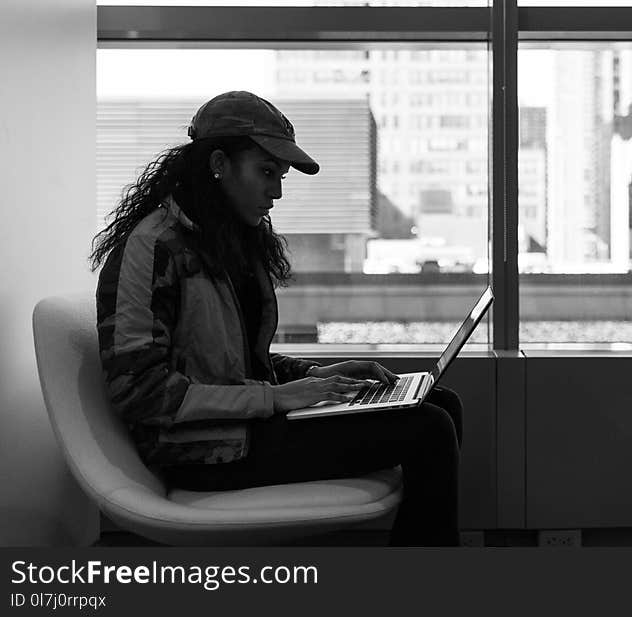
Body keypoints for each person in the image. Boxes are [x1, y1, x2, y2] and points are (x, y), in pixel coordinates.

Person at [90, 91, 463, 546]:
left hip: (241, 429)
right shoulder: (154, 248)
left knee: (441, 403)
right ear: (219, 164)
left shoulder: (222, 239)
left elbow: (237, 362)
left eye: (279, 175)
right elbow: (140, 393)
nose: (278, 191)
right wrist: (277, 399)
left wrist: (313, 375)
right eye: (266, 172)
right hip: (201, 451)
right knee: (430, 429)